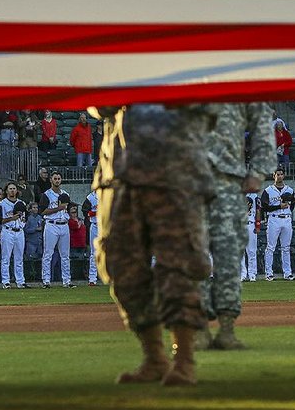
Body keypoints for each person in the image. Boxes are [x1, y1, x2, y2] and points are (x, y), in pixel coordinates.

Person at [91, 103, 215, 386]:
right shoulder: (116, 62)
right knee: (120, 266)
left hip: (175, 171)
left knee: (178, 265)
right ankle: (154, 357)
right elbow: (99, 104)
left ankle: (184, 359)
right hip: (120, 171)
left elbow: (207, 105)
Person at [198, 103, 275, 351]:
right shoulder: (181, 71)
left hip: (227, 181)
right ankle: (197, 328)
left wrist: (260, 170)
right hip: (186, 179)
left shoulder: (237, 77)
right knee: (189, 257)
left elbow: (262, 119)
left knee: (229, 257)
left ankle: (227, 328)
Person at [39, 171, 75, 288]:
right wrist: (58, 208)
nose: (57, 180)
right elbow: (42, 211)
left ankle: (67, 281)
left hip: (64, 224)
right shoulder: (47, 194)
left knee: (65, 255)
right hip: (51, 224)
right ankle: (46, 281)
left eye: (59, 178)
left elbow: (69, 209)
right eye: (55, 178)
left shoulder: (65, 194)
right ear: (51, 180)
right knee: (48, 253)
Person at [261, 167, 295, 281]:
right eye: (278, 174)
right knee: (271, 247)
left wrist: (286, 211)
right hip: (274, 219)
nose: (279, 176)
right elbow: (264, 207)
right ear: (274, 176)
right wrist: (278, 207)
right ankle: (269, 273)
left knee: (286, 247)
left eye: (281, 174)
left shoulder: (289, 190)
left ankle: (287, 273)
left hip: (286, 219)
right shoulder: (268, 190)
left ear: (284, 176)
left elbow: (293, 203)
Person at [0, 182, 28, 289]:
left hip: (19, 231)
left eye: (14, 188)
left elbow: (25, 217)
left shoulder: (21, 203)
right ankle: (6, 281)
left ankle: (20, 281)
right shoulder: (1, 204)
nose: (12, 190)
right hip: (7, 231)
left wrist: (22, 222)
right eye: (10, 188)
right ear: (6, 191)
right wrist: (11, 218)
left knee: (19, 258)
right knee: (6, 258)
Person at [81, 189, 100, 285]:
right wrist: (96, 213)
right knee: (94, 253)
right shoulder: (91, 197)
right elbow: (85, 211)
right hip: (95, 225)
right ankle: (92, 278)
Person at [243, 192, 261, 282]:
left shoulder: (254, 196)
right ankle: (242, 274)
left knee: (251, 251)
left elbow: (258, 210)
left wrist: (257, 225)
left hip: (250, 223)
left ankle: (252, 274)